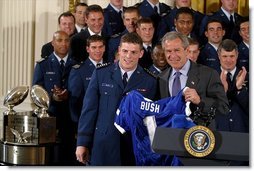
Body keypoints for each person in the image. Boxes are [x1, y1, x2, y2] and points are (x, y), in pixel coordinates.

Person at [75, 32, 157, 166]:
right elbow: (89, 110)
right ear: (119, 50)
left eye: (133, 52)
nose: (128, 56)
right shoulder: (101, 73)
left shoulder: (150, 81)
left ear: (141, 53)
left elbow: (151, 120)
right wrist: (82, 143)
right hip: (103, 145)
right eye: (125, 51)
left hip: (134, 148)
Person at [157, 31, 229, 128]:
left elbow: (223, 108)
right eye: (169, 51)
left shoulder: (208, 74)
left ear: (186, 51)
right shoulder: (161, 78)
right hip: (170, 137)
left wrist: (200, 101)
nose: (173, 55)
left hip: (199, 137)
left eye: (177, 50)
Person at [33, 30, 77, 165]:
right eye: (59, 40)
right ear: (52, 43)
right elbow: (36, 92)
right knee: (49, 156)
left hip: (70, 117)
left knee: (68, 155)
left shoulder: (76, 64)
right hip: (49, 117)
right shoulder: (43, 65)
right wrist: (52, 97)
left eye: (66, 40)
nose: (63, 44)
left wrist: (67, 94)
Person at [216, 39, 248, 166]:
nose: (228, 60)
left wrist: (239, 89)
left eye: (231, 56)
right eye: (224, 56)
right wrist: (222, 91)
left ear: (237, 55)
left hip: (243, 136)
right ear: (218, 56)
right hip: (218, 135)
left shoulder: (249, 77)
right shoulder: (209, 77)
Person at [68, 35, 106, 124]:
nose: (98, 51)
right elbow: (74, 100)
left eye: (100, 47)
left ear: (104, 48)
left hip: (106, 121)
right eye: (94, 47)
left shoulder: (112, 68)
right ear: (87, 49)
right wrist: (77, 122)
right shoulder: (79, 71)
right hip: (86, 120)